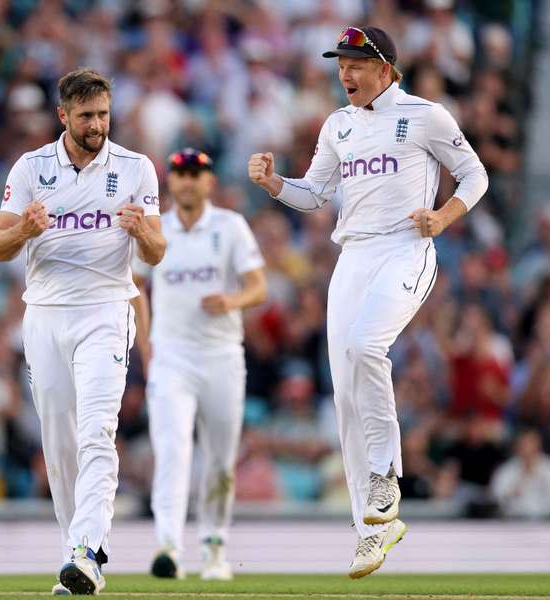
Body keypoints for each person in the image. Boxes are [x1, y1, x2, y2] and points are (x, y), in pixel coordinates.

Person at [248, 26, 488, 579]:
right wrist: (273, 184)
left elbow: (475, 173)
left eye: (357, 63)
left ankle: (386, 475)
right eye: (341, 64)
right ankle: (370, 531)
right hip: (352, 257)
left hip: (406, 248)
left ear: (386, 68)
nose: (346, 74)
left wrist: (443, 217)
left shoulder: (425, 114)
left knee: (364, 347)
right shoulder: (339, 125)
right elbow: (315, 194)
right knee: (346, 394)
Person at [0, 68, 166, 596]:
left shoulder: (136, 168)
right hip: (44, 314)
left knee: (95, 431)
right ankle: (77, 557)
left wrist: (141, 233)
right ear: (63, 115)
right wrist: (25, 228)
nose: (97, 124)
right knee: (59, 444)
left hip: (107, 311)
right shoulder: (30, 168)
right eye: (86, 115)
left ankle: (88, 548)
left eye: (103, 114)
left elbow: (157, 252)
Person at [132, 148, 266, 581]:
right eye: (180, 174)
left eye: (196, 174)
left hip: (223, 354)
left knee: (220, 459)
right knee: (172, 449)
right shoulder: (157, 230)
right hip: (173, 357)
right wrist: (148, 349)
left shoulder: (229, 227)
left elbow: (258, 287)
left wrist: (231, 300)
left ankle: (214, 546)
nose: (187, 182)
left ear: (209, 181)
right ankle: (168, 546)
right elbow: (136, 288)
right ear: (170, 181)